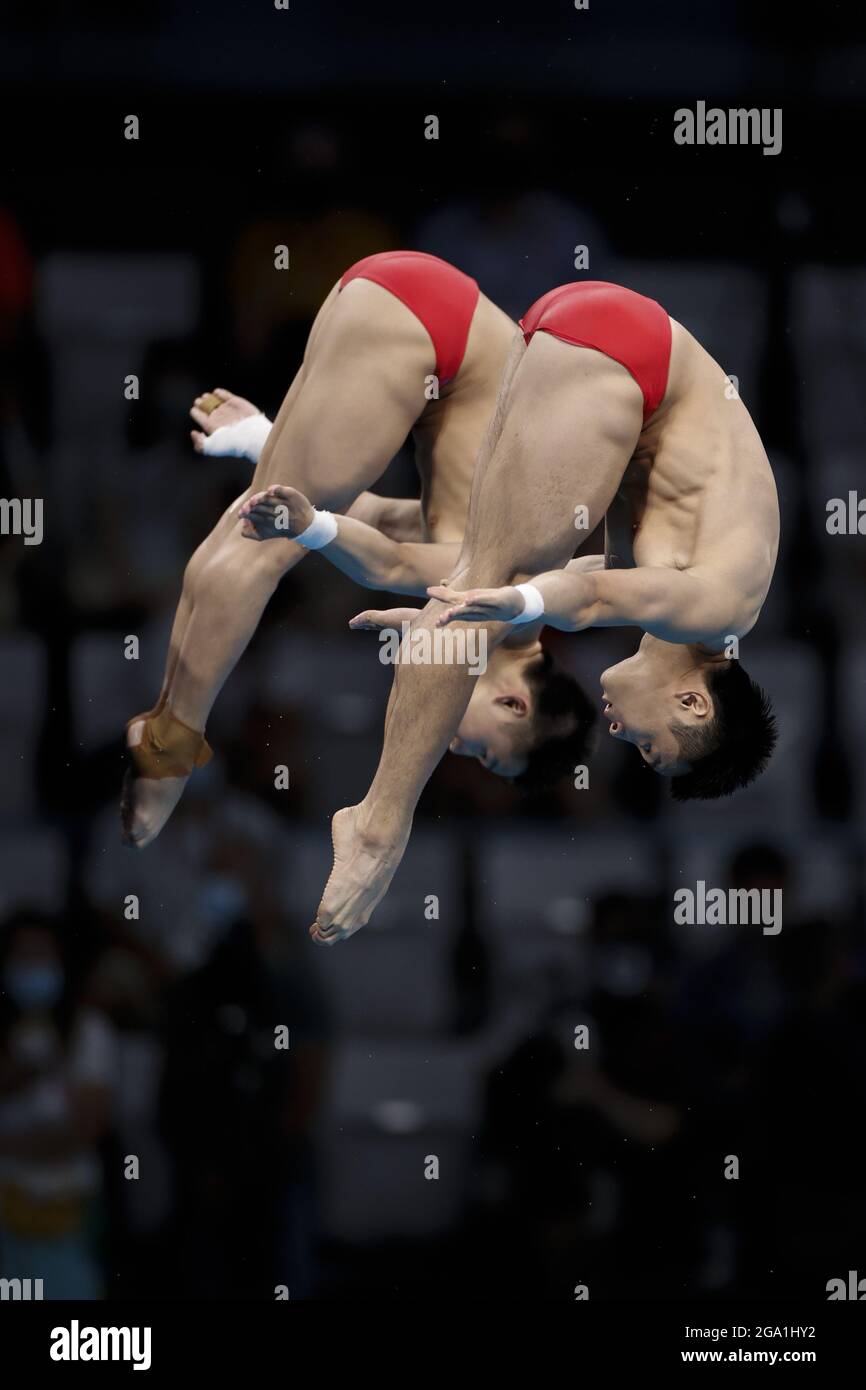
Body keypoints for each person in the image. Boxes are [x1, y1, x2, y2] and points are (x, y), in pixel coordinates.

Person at [310, 279, 780, 943]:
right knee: (491, 574)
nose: (622, 737)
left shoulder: (695, 591)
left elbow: (560, 589)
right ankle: (379, 827)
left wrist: (457, 616)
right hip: (620, 357)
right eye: (651, 744)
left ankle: (270, 452)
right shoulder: (715, 609)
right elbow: (580, 599)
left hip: (592, 337)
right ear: (694, 705)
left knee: (469, 562)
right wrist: (501, 601)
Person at [121, 252, 593, 847]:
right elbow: (389, 561)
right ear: (514, 704)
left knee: (248, 531)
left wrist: (262, 443)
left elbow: (380, 519)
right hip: (427, 329)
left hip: (414, 308)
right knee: (261, 549)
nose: (455, 747)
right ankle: (170, 748)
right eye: (489, 756)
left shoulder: (508, 596)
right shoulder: (503, 595)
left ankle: (169, 731)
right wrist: (308, 524)